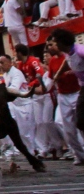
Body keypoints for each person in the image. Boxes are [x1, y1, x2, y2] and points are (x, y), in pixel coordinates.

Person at [45, 29, 84, 163]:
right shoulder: (68, 53)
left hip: (79, 90)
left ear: (62, 42)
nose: (54, 45)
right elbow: (67, 62)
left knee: (81, 121)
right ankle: (80, 155)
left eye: (55, 42)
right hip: (75, 91)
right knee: (69, 128)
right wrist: (58, 75)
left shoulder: (80, 51)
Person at [0, 55, 37, 157]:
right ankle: (15, 150)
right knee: (14, 130)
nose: (0, 65)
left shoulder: (16, 73)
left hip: (24, 105)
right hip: (14, 105)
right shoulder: (6, 74)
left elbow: (13, 89)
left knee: (26, 133)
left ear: (10, 62)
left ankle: (32, 152)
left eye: (2, 62)